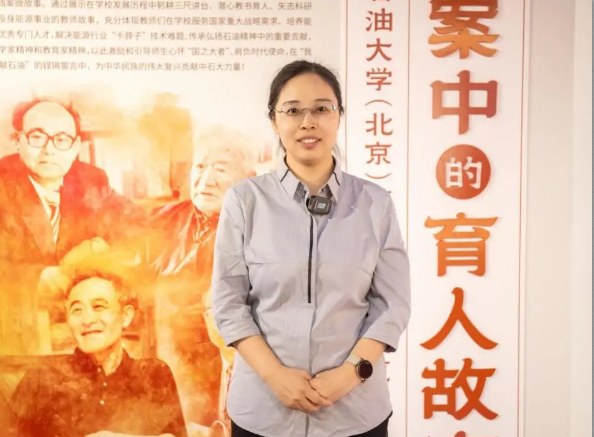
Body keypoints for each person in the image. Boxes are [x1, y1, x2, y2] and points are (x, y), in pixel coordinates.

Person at [211, 60, 411, 437]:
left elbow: (392, 305)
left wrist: (350, 374)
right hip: (264, 411)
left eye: (321, 108)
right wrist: (275, 376)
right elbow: (228, 303)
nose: (308, 122)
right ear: (274, 120)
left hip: (354, 413)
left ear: (339, 116)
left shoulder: (375, 203)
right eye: (293, 110)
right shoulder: (244, 201)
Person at [0, 97, 146, 356]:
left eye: (61, 139)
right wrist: (37, 279)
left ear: (76, 146)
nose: (49, 150)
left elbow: (135, 224)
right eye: (37, 137)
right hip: (17, 322)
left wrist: (98, 249)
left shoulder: (90, 179)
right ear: (18, 140)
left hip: (80, 313)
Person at [147, 126, 258, 428]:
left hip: (234, 372)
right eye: (199, 166)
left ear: (249, 178)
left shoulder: (263, 231)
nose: (206, 180)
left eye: (220, 169)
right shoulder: (161, 221)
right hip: (168, 367)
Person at [9, 254, 188, 437]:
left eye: (99, 307)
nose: (87, 320)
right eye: (77, 310)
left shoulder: (154, 375)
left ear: (126, 316)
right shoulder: (40, 381)